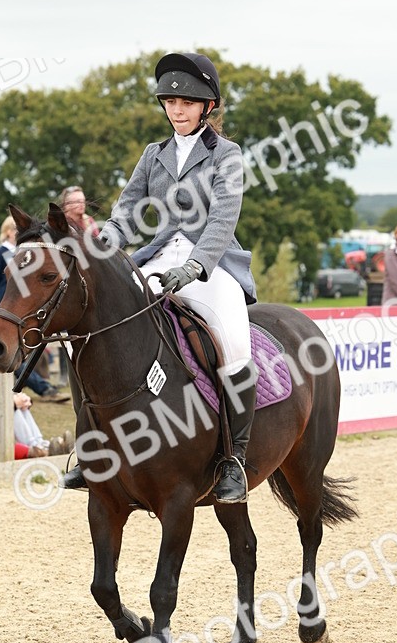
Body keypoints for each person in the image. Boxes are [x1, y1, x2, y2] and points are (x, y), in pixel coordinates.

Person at [63, 51, 256, 504]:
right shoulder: (154, 155)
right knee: (91, 333)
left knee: (232, 342)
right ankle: (90, 451)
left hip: (212, 265)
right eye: (170, 101)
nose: (177, 109)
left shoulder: (227, 155)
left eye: (187, 102)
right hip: (156, 259)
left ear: (208, 107)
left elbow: (223, 220)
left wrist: (195, 267)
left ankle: (234, 460)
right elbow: (126, 213)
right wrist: (101, 244)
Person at [0, 215, 70, 403]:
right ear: (7, 232)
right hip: (7, 309)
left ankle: (45, 384)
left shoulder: (28, 252)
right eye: (15, 230)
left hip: (23, 310)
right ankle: (43, 388)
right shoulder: (1, 254)